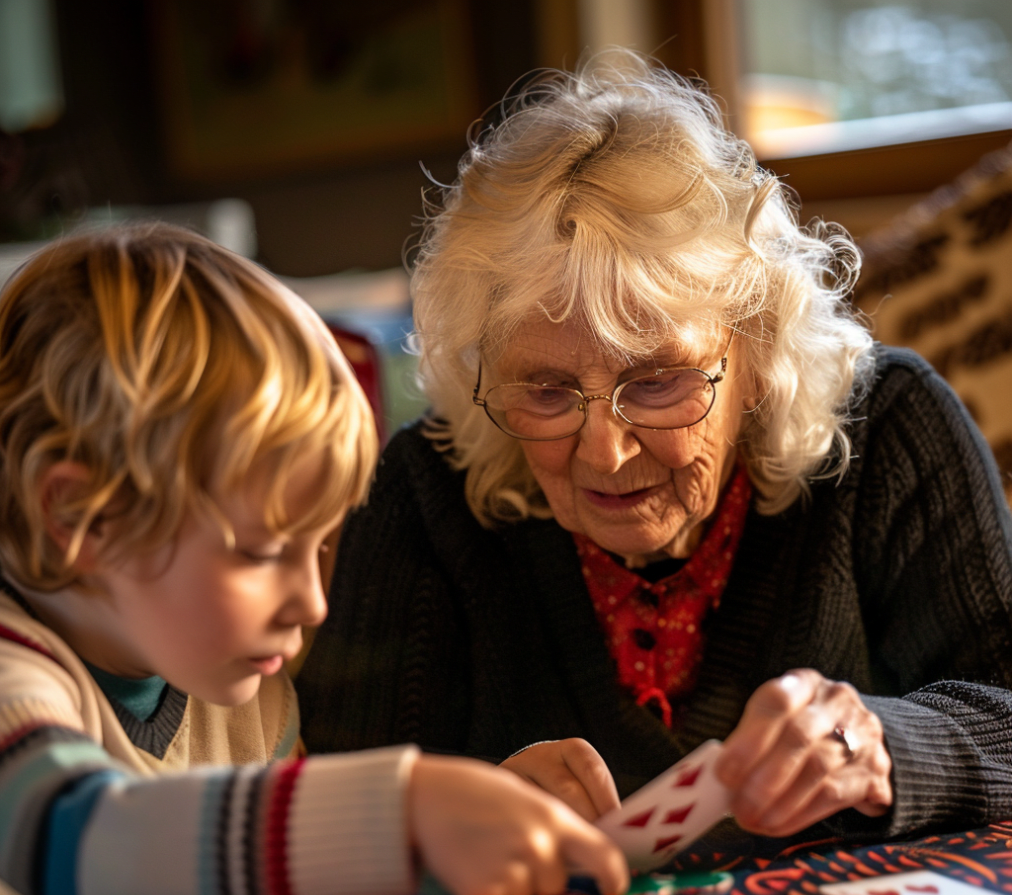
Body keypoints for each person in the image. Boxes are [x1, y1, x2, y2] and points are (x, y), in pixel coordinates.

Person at [298, 52, 1012, 849]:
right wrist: (447, 814)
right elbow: (329, 807)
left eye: (658, 382)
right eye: (544, 390)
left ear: (757, 353)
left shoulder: (891, 429)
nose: (603, 453)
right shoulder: (427, 492)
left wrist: (879, 747)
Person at [0, 224, 627, 895]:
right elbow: (85, 846)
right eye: (262, 554)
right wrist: (395, 814)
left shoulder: (242, 689)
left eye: (323, 546)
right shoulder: (11, 671)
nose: (312, 602)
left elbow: (274, 880)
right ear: (81, 516)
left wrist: (469, 833)